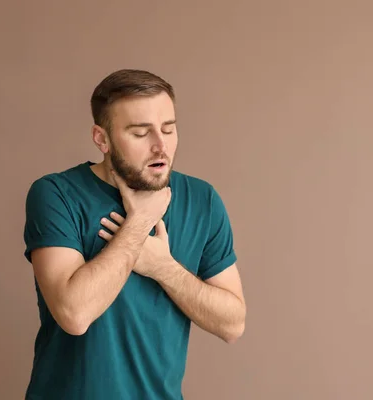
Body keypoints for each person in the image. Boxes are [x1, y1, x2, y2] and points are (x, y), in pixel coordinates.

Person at [22, 69, 246, 400]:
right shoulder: (56, 194)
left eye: (168, 129)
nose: (160, 146)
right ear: (102, 138)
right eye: (141, 134)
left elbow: (232, 324)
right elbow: (74, 314)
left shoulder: (202, 200)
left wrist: (163, 268)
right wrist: (139, 223)